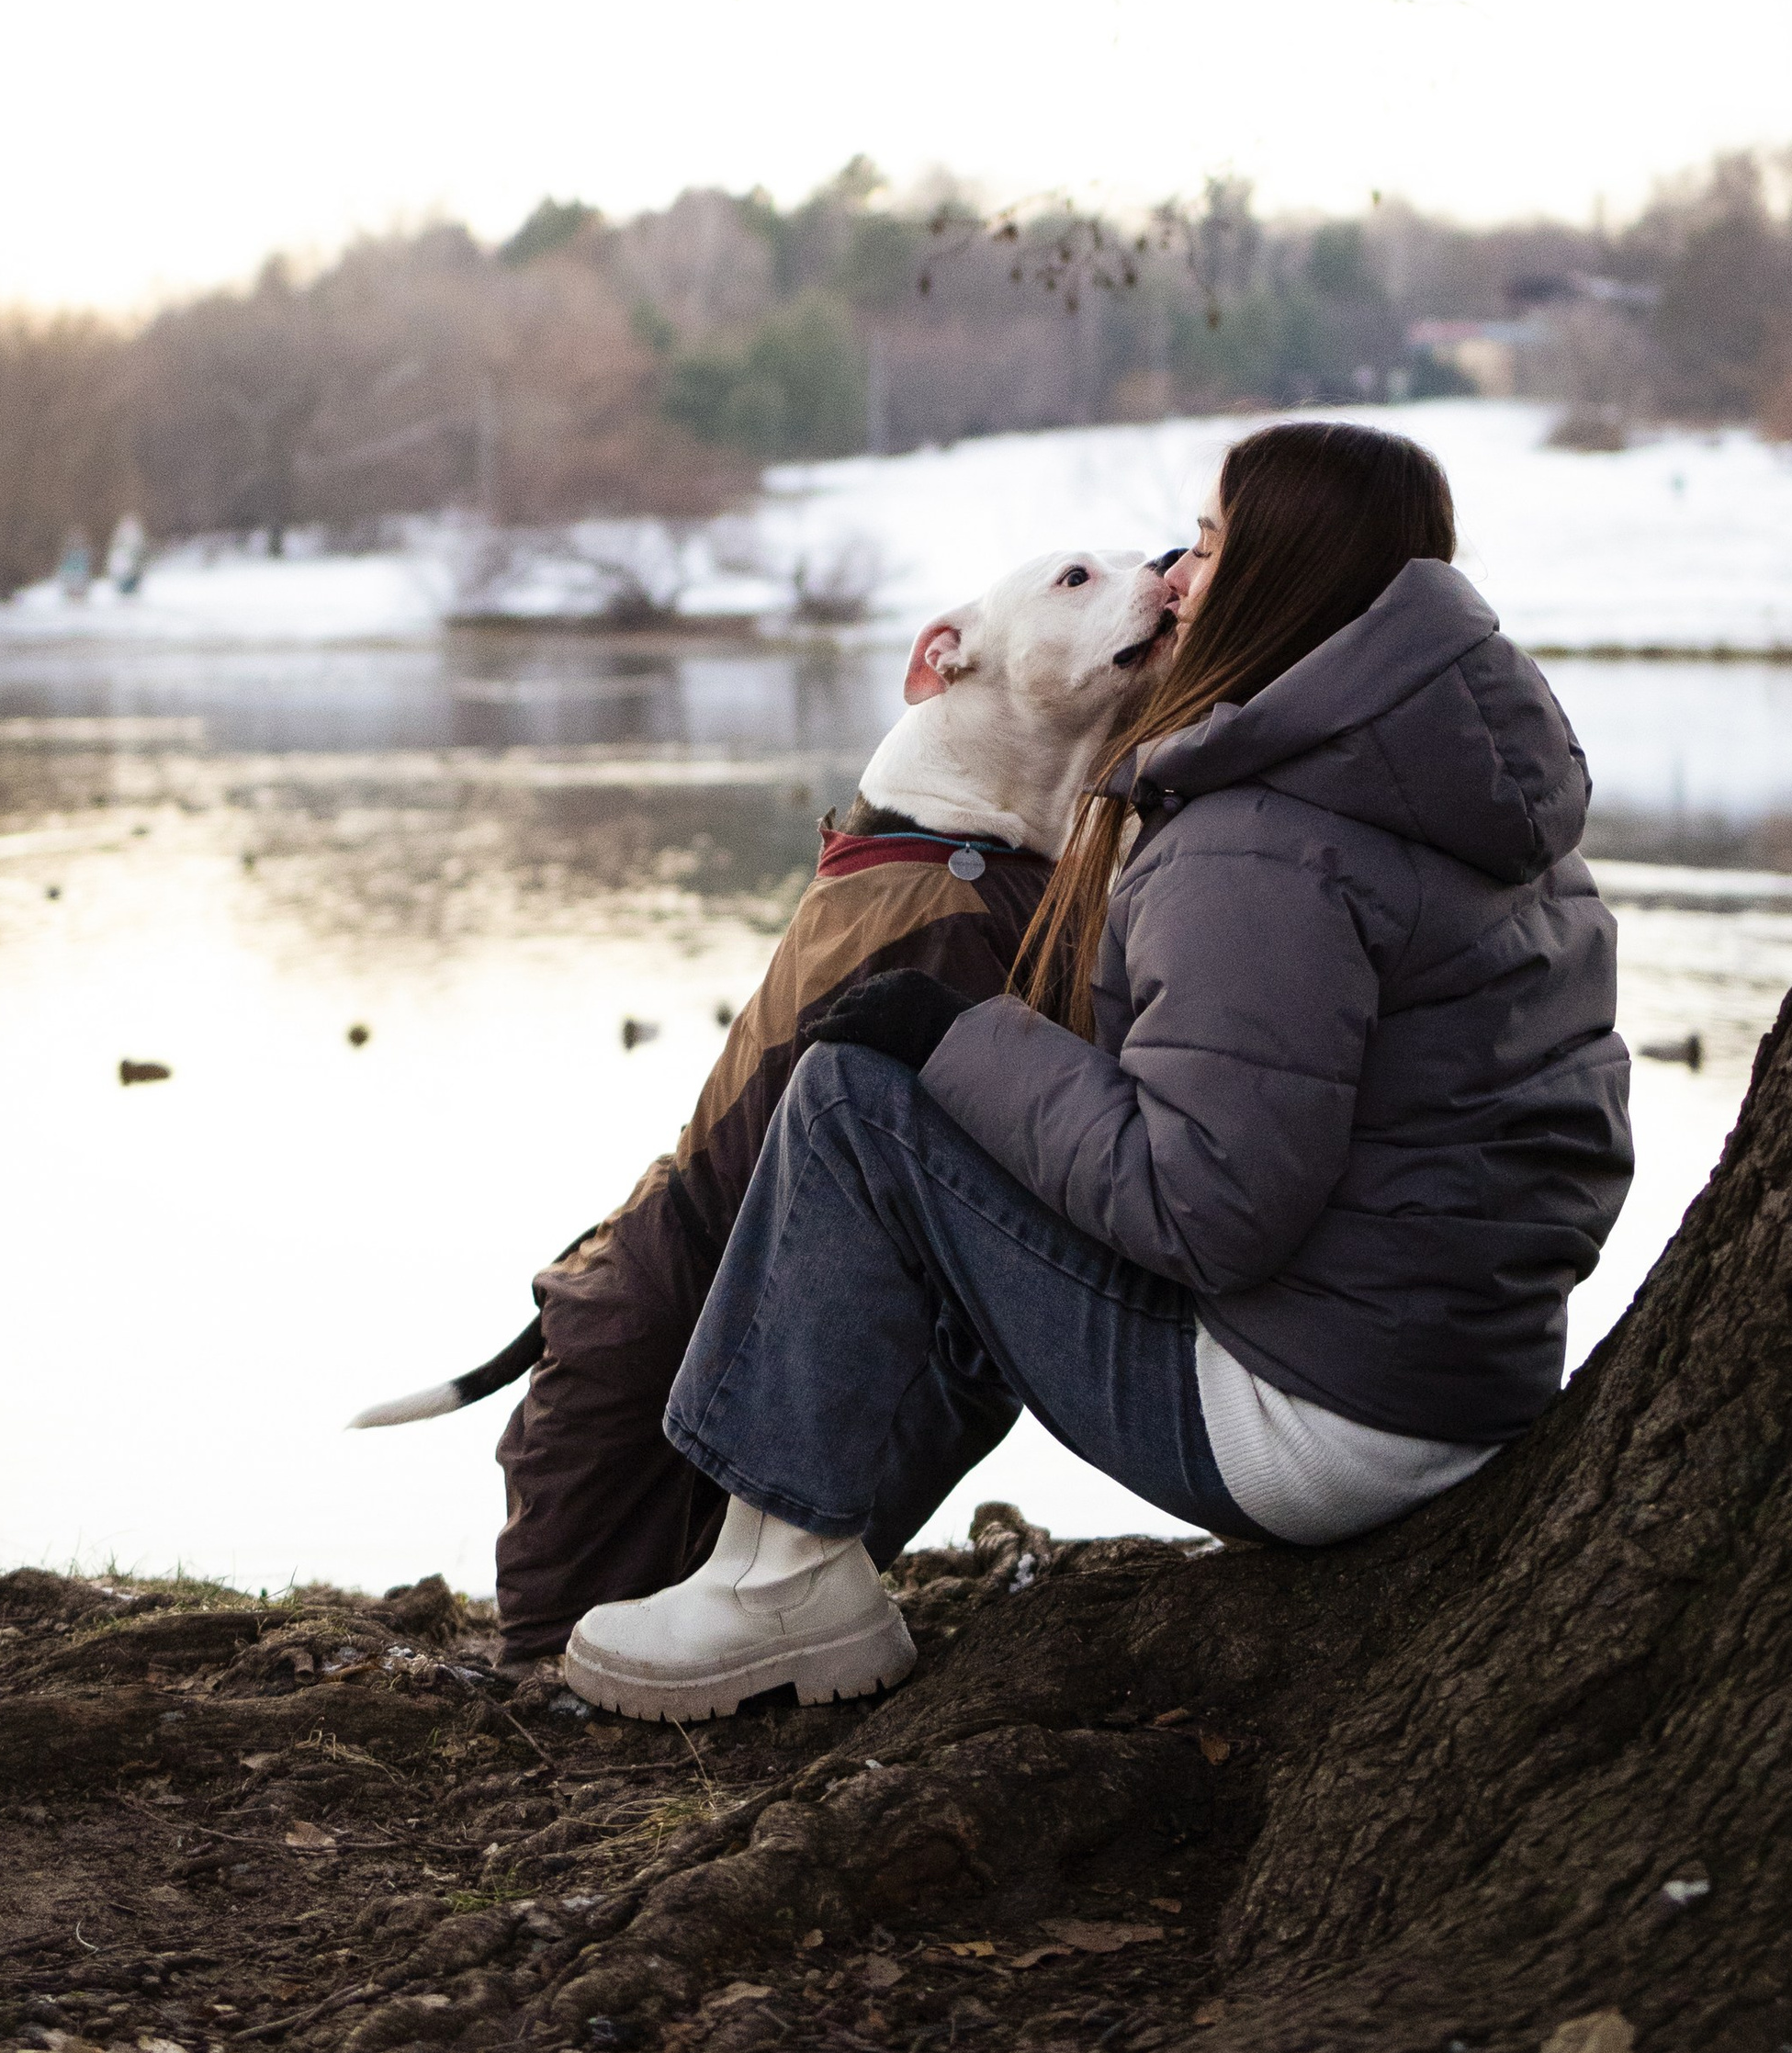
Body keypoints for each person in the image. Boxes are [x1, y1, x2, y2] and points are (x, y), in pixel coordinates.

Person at [562, 423, 1635, 1722]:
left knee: (859, 1096)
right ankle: (773, 1559)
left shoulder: (1258, 835)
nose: (1175, 571)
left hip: (1314, 1425)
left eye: (1215, 542)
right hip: (1462, 1378)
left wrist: (967, 1038)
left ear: (1285, 574)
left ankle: (781, 1581)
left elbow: (1207, 1207)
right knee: (943, 1113)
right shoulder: (1461, 795)